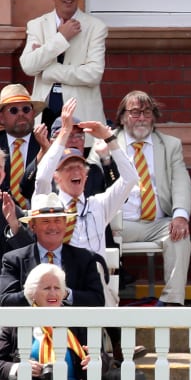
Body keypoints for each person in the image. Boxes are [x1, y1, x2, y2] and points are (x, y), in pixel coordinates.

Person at [33, 99, 135, 305]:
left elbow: (130, 178)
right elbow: (41, 177)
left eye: (80, 167)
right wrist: (64, 133)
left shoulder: (99, 205)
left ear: (86, 176)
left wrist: (108, 137)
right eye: (69, 168)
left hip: (92, 285)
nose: (76, 172)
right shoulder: (47, 204)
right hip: (57, 283)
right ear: (57, 177)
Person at [108, 91, 191, 307]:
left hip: (158, 223)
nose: (142, 118)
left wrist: (181, 215)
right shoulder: (107, 143)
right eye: (135, 113)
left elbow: (181, 181)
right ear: (122, 117)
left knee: (180, 235)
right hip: (120, 224)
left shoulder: (170, 145)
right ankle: (107, 303)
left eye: (147, 112)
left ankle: (172, 302)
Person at [19, 0, 108, 127]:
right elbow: (29, 66)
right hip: (43, 117)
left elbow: (94, 74)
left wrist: (49, 70)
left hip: (82, 118)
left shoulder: (96, 27)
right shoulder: (36, 25)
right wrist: (61, 38)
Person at [0, 193, 105, 307]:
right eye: (45, 221)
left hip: (71, 323)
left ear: (65, 224)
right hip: (29, 324)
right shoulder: (14, 260)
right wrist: (33, 293)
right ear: (32, 225)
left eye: (57, 220)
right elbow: (4, 300)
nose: (52, 227)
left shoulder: (85, 258)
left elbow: (97, 300)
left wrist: (64, 293)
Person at [0, 84, 44, 209]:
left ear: (33, 113)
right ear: (1, 118)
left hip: (39, 216)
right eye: (14, 110)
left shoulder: (45, 143)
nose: (21, 114)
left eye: (26, 109)